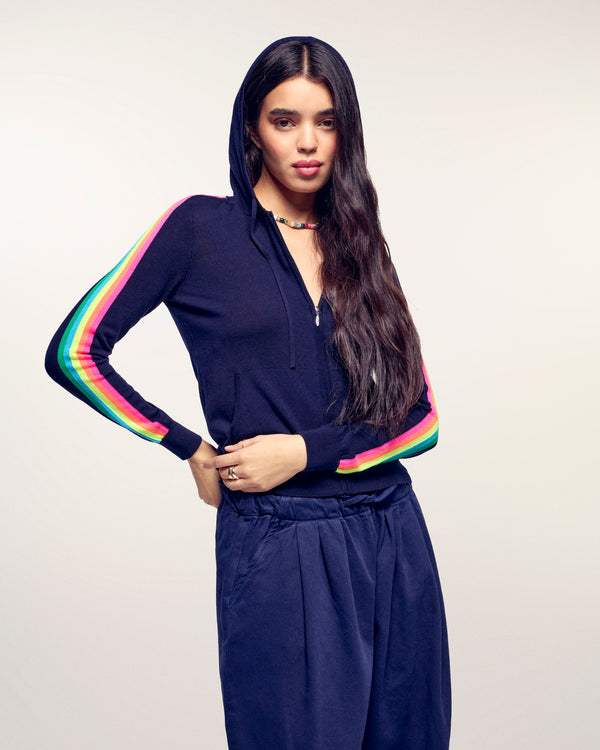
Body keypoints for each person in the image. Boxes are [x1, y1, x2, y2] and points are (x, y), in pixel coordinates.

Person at [45, 36, 451, 750]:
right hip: (279, 539)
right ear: (252, 130)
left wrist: (304, 452)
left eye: (326, 122)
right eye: (285, 120)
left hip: (393, 531)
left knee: (410, 736)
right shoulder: (199, 228)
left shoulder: (360, 241)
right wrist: (188, 447)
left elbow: (421, 422)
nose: (308, 143)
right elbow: (75, 351)